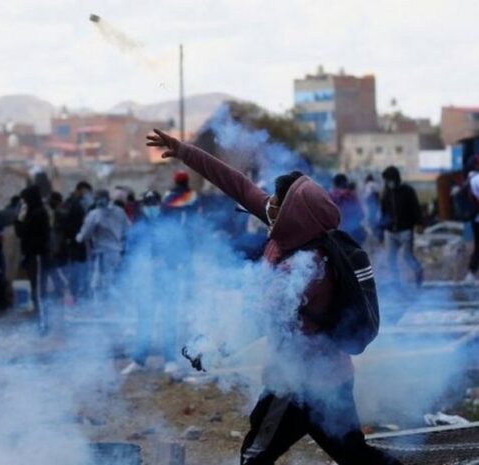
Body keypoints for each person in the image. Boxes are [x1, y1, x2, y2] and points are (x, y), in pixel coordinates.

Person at [147, 128, 403, 465]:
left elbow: (258, 320)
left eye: (276, 204)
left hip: (297, 386)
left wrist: (211, 348)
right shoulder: (295, 233)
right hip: (333, 378)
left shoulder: (305, 268)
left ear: (292, 214)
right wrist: (184, 151)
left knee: (255, 456)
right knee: (354, 455)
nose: (267, 205)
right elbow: (237, 184)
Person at [121, 190, 179, 376]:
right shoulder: (138, 227)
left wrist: (166, 261)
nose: (151, 208)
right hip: (145, 281)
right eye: (148, 204)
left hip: (166, 280)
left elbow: (179, 250)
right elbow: (129, 253)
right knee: (144, 320)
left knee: (168, 320)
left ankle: (170, 360)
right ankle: (139, 360)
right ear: (143, 206)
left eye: (154, 203)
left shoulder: (169, 225)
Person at [76, 190, 130, 302]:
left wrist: (78, 237)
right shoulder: (120, 212)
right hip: (116, 252)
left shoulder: (95, 214)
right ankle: (114, 305)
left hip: (102, 253)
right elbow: (128, 229)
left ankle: (107, 306)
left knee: (99, 283)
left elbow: (85, 234)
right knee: (110, 280)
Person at [15, 185, 51, 334]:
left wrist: (20, 219)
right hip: (32, 255)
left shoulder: (38, 213)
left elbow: (22, 232)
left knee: (38, 290)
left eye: (24, 200)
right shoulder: (33, 212)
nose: (23, 203)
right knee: (35, 289)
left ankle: (43, 323)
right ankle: (40, 320)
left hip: (37, 255)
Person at [380, 166, 423, 286]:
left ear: (396, 178)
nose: (389, 182)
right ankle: (395, 281)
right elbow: (383, 213)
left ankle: (418, 272)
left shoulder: (408, 191)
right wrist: (380, 231)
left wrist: (419, 223)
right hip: (390, 231)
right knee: (391, 258)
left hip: (405, 230)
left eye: (390, 179)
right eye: (387, 180)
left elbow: (415, 208)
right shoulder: (385, 193)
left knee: (407, 256)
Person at [61, 181, 93, 301]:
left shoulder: (74, 203)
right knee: (78, 270)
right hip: (78, 243)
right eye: (87, 192)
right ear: (82, 191)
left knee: (79, 270)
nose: (88, 195)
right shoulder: (76, 204)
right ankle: (79, 295)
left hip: (77, 243)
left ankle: (78, 294)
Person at [329, 174, 367, 245]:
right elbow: (361, 214)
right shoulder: (352, 195)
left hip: (336, 236)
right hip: (354, 235)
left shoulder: (330, 196)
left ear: (334, 184)